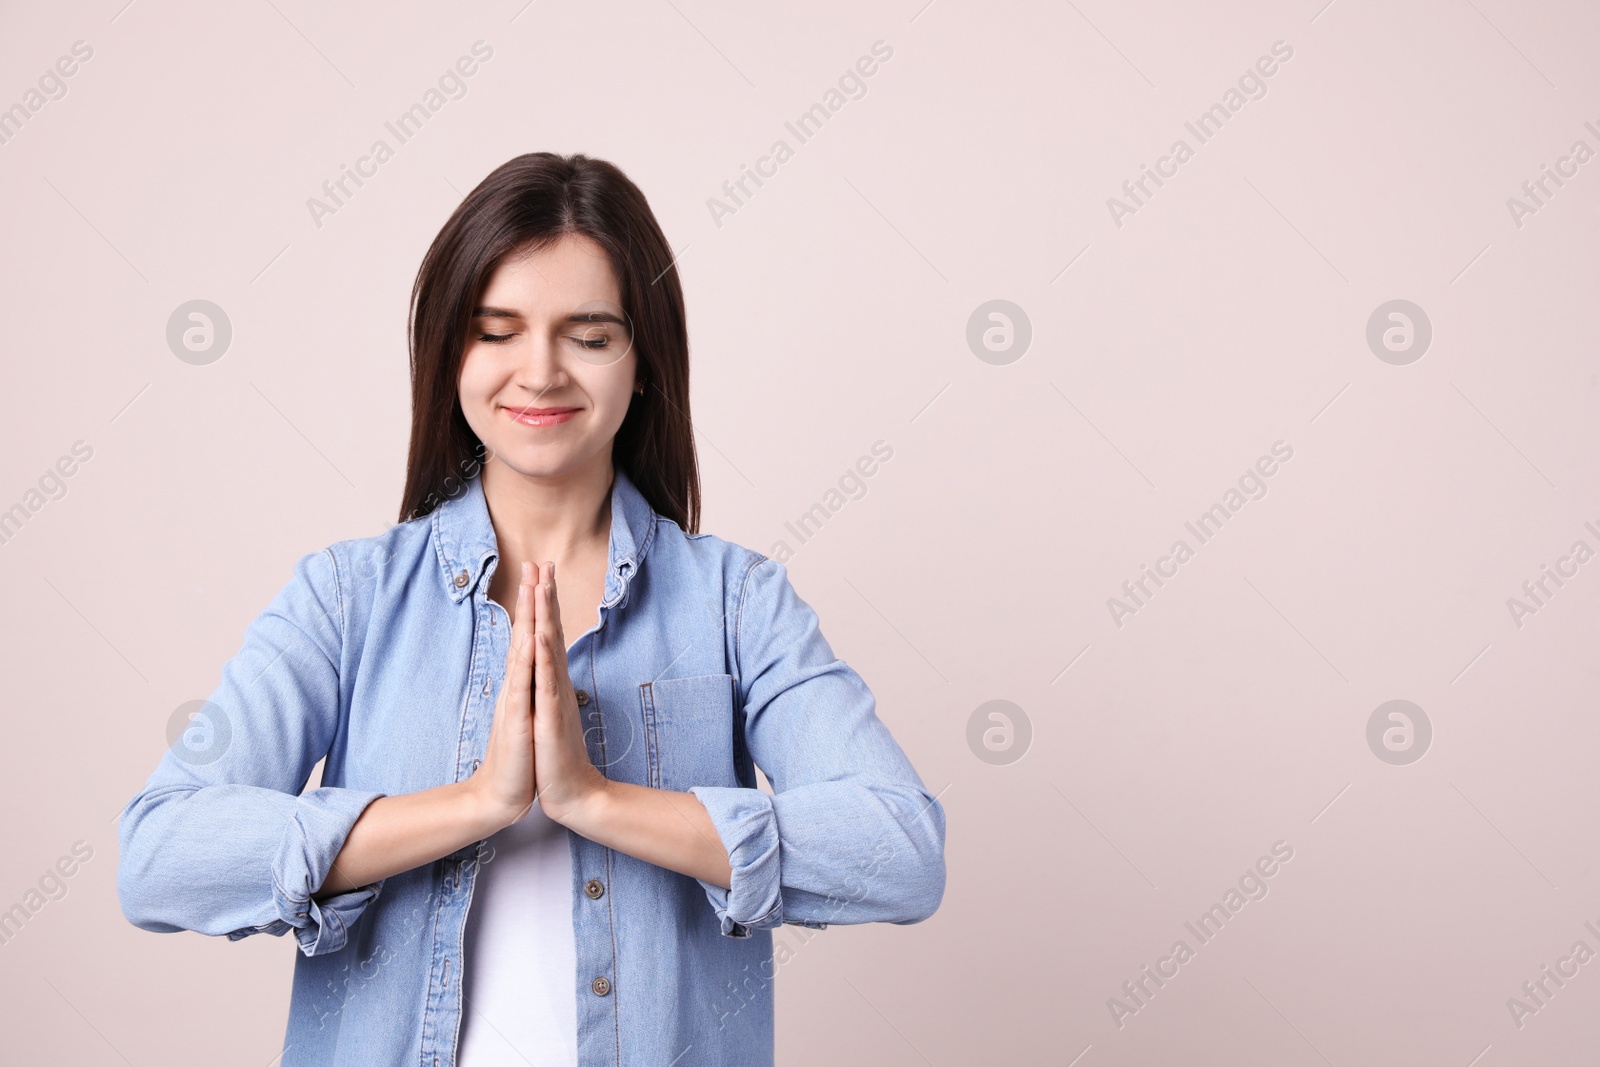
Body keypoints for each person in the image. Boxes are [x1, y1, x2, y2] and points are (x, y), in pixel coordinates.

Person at [116, 151, 947, 1067]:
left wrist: (600, 799)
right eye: (496, 330)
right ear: (450, 354)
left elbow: (900, 848)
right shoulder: (347, 598)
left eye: (588, 335)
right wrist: (473, 804)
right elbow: (160, 854)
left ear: (645, 360)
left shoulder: (735, 602)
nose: (540, 371)